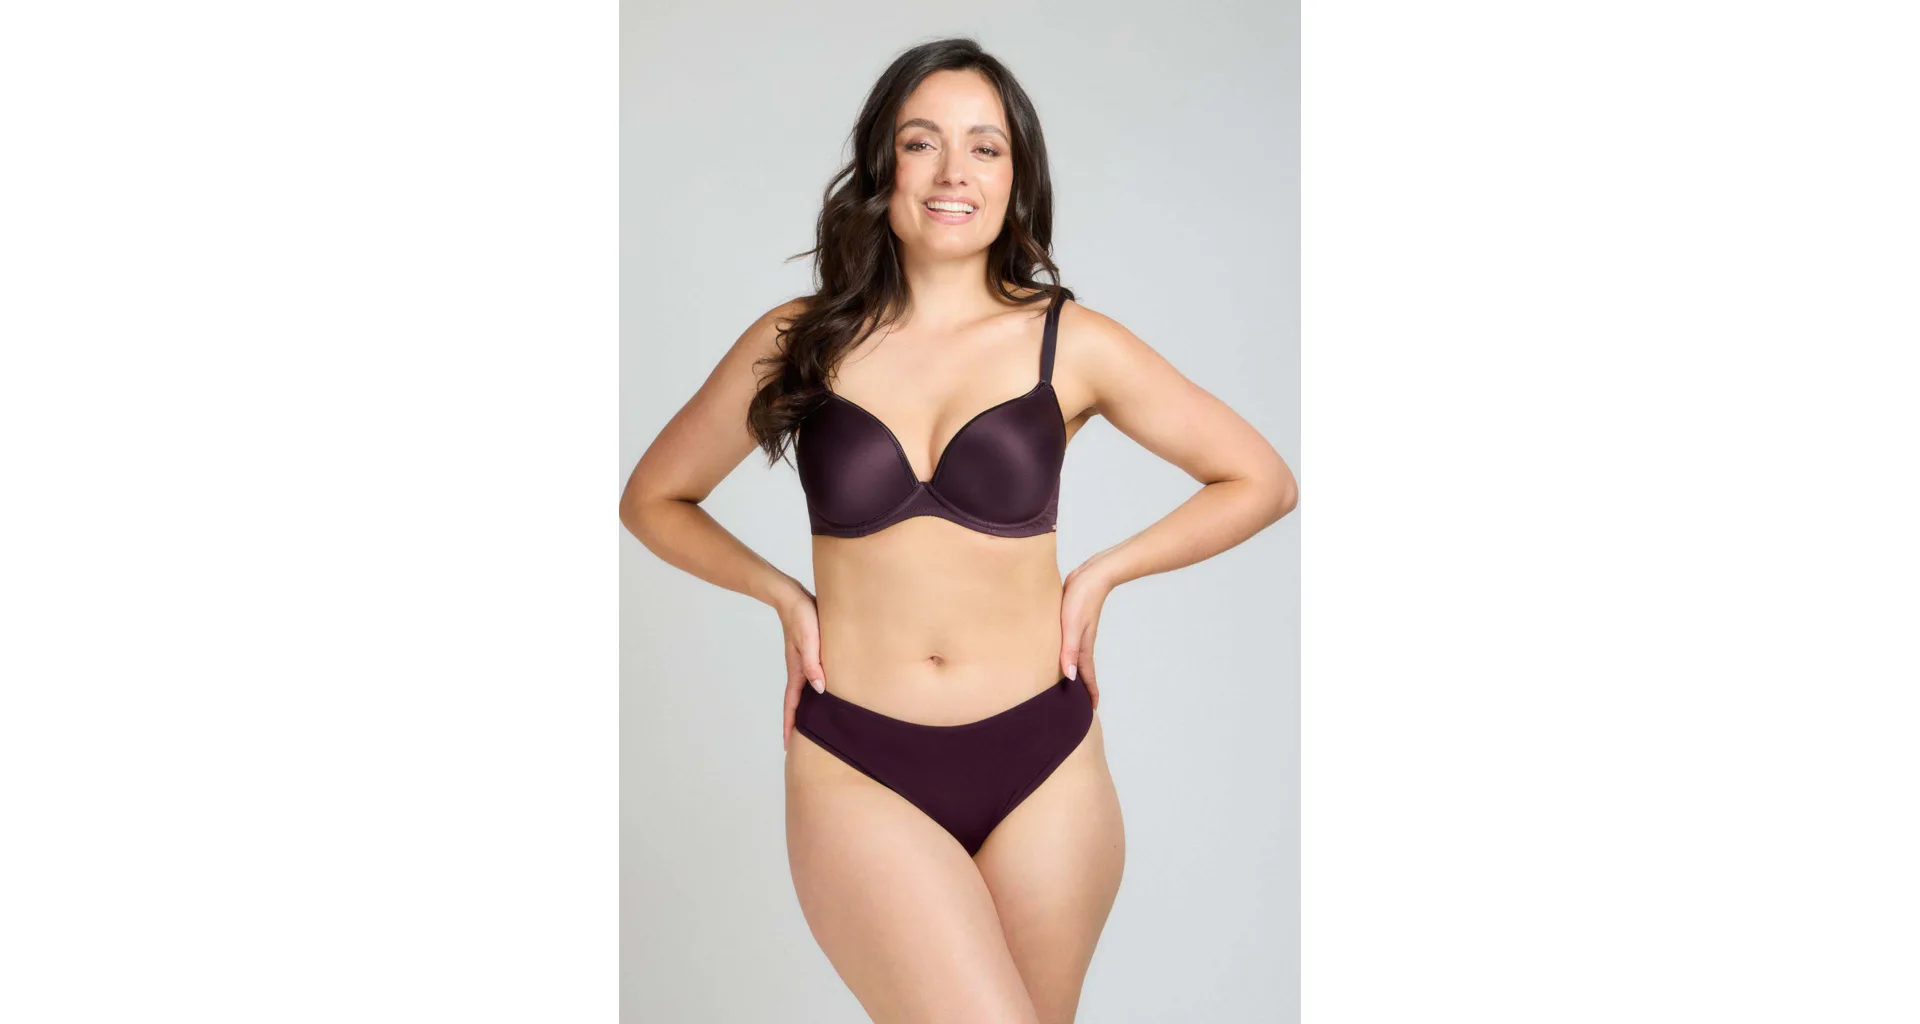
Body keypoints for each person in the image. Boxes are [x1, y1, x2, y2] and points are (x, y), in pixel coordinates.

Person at [620, 37, 1297, 1024]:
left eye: (984, 147)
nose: (953, 173)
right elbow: (654, 497)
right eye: (921, 142)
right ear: (882, 165)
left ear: (1016, 177)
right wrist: (782, 595)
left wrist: (1102, 574)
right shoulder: (799, 339)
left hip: (1046, 764)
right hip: (859, 758)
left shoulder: (1071, 341)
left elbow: (1261, 479)